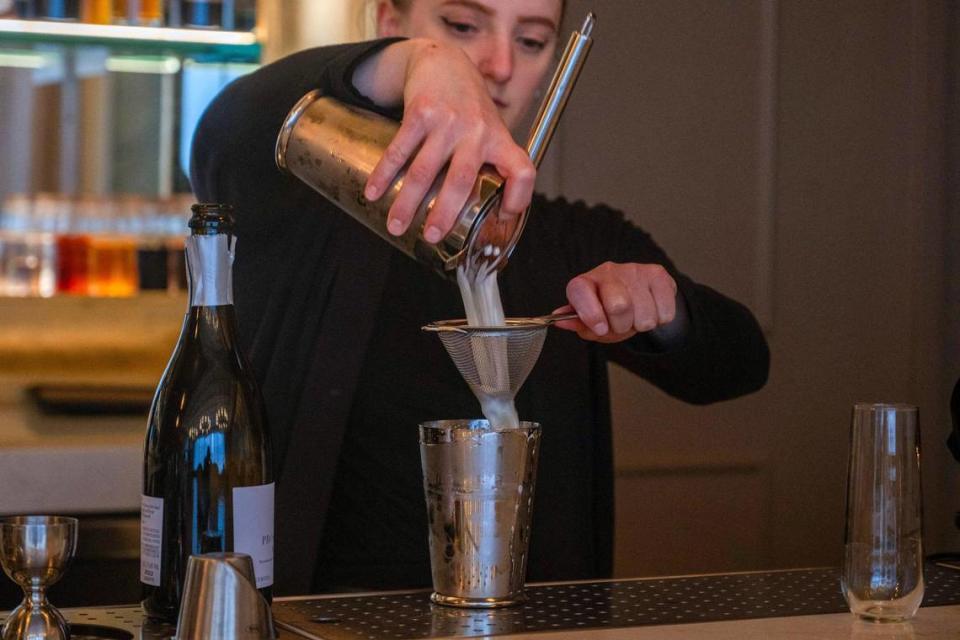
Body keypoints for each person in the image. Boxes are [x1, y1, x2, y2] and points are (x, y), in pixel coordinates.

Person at [189, 0, 770, 596]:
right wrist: (420, 64)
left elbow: (740, 364)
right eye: (462, 27)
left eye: (532, 40)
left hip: (539, 626)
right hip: (323, 617)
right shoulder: (306, 205)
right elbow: (223, 129)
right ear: (390, 23)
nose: (495, 65)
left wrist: (664, 308)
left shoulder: (577, 240)